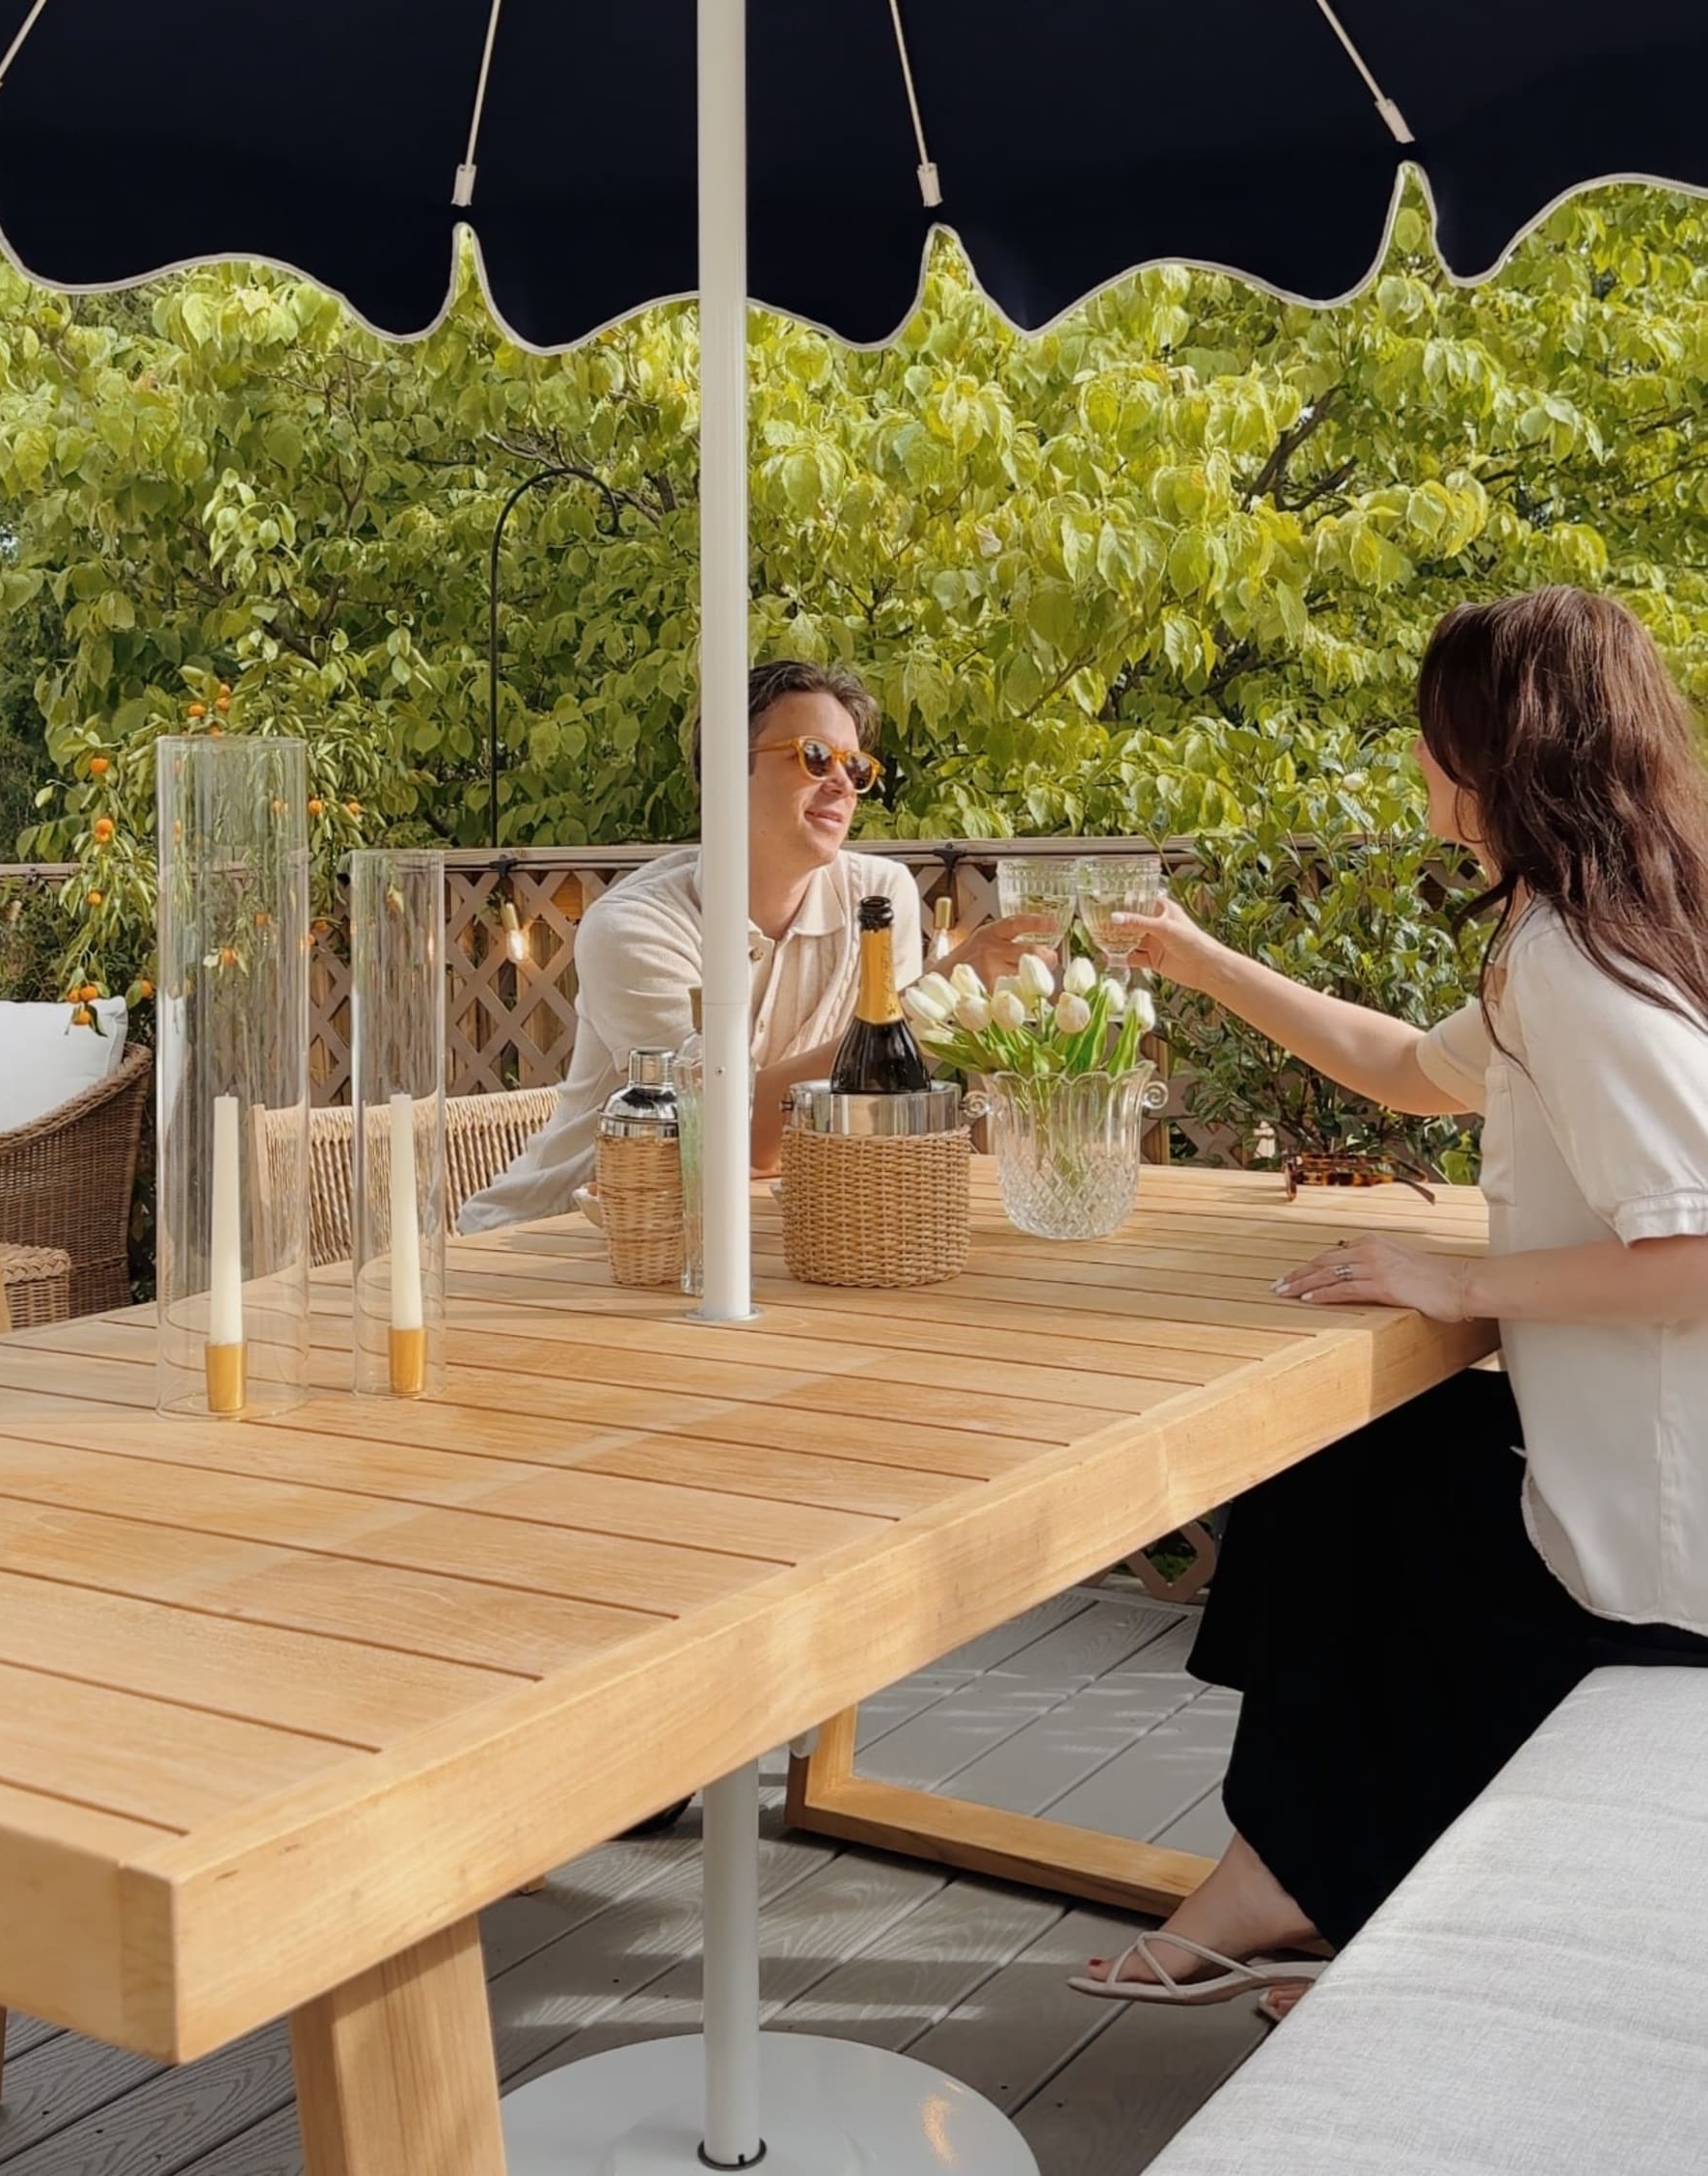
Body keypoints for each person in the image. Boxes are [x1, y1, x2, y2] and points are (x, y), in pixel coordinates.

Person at [1071, 586, 1708, 2020]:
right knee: (1346, 1471)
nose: (1417, 758)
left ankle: (1316, 1894)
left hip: (1667, 1561)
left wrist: (1462, 1279)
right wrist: (1194, 957)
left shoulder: (1575, 967)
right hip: (1639, 1492)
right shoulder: (1602, 934)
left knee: (1352, 1516)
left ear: (1492, 747)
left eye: (1430, 731)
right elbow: (1404, 1069)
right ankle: (1303, 1881)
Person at [460, 660, 1045, 1231]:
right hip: (563, 1247)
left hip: (761, 1235)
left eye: (856, 767)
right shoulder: (636, 927)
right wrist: (926, 1008)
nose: (841, 782)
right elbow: (720, 1140)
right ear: (723, 772)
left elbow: (877, 1120)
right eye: (814, 757)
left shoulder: (878, 897)